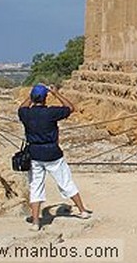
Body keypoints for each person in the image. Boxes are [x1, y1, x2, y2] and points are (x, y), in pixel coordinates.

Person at [18, 84, 92, 230]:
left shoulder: (26, 114)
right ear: (46, 98)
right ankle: (82, 211)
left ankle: (35, 222)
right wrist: (56, 93)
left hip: (35, 154)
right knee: (65, 182)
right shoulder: (51, 113)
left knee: (36, 187)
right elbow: (70, 107)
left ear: (33, 98)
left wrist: (31, 96)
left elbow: (21, 107)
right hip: (52, 152)